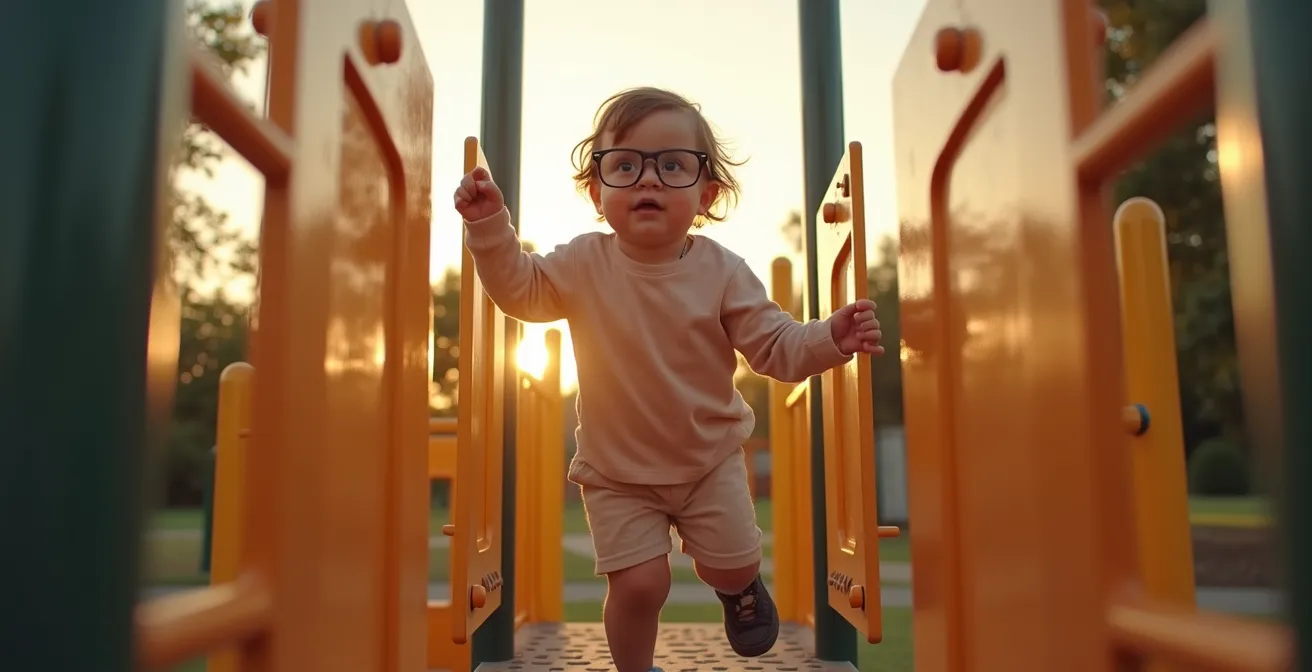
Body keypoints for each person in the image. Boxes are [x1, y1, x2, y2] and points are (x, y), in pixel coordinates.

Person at [453, 86, 884, 672]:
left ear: (706, 193)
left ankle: (738, 589)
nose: (647, 180)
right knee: (639, 585)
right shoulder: (583, 263)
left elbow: (775, 347)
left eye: (672, 166)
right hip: (616, 472)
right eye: (624, 165)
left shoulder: (724, 273)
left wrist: (830, 337)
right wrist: (490, 227)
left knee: (728, 564)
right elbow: (520, 290)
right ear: (596, 189)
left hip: (709, 460)